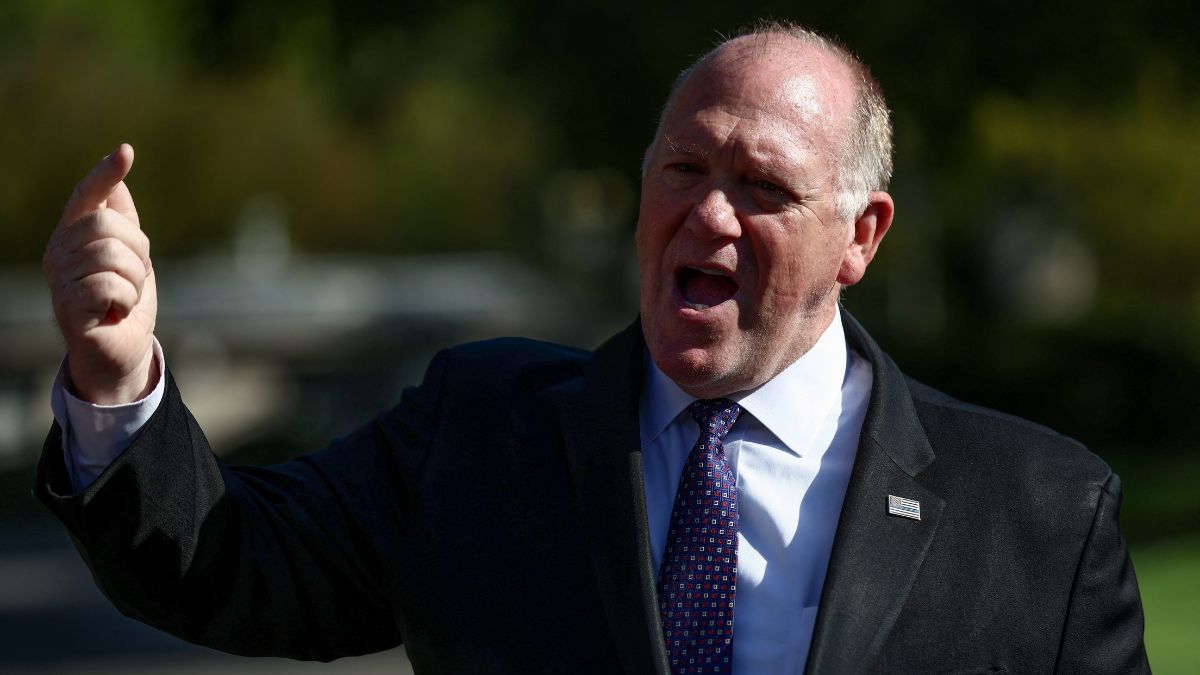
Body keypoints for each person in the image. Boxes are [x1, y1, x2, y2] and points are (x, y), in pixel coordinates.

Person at [36, 21, 1148, 674]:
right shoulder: (480, 431)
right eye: (683, 170)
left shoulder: (1040, 515)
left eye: (763, 186)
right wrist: (117, 379)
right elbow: (223, 564)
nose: (709, 214)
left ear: (862, 236)